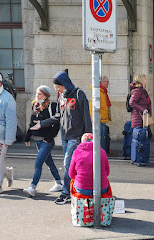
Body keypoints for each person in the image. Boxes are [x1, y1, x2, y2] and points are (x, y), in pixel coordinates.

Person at [30, 70, 92, 204]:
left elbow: (86, 116)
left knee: (67, 165)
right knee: (72, 166)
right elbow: (58, 116)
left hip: (76, 136)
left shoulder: (79, 94)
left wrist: (88, 136)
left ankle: (65, 193)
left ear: (64, 84)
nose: (56, 89)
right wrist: (42, 124)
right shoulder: (62, 97)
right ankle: (75, 189)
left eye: (58, 87)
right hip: (65, 136)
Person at [23, 85, 62, 197]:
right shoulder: (35, 105)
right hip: (38, 141)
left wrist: (49, 138)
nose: (37, 96)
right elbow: (32, 123)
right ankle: (59, 183)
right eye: (36, 94)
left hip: (47, 142)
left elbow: (56, 123)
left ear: (46, 96)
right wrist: (28, 136)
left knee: (38, 163)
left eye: (40, 94)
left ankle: (32, 187)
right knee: (50, 163)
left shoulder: (51, 106)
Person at [89, 76, 113, 155]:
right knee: (101, 139)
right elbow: (93, 107)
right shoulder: (99, 92)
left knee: (103, 137)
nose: (108, 83)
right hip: (99, 119)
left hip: (102, 119)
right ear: (102, 82)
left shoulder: (103, 91)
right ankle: (101, 154)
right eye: (107, 81)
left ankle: (102, 153)